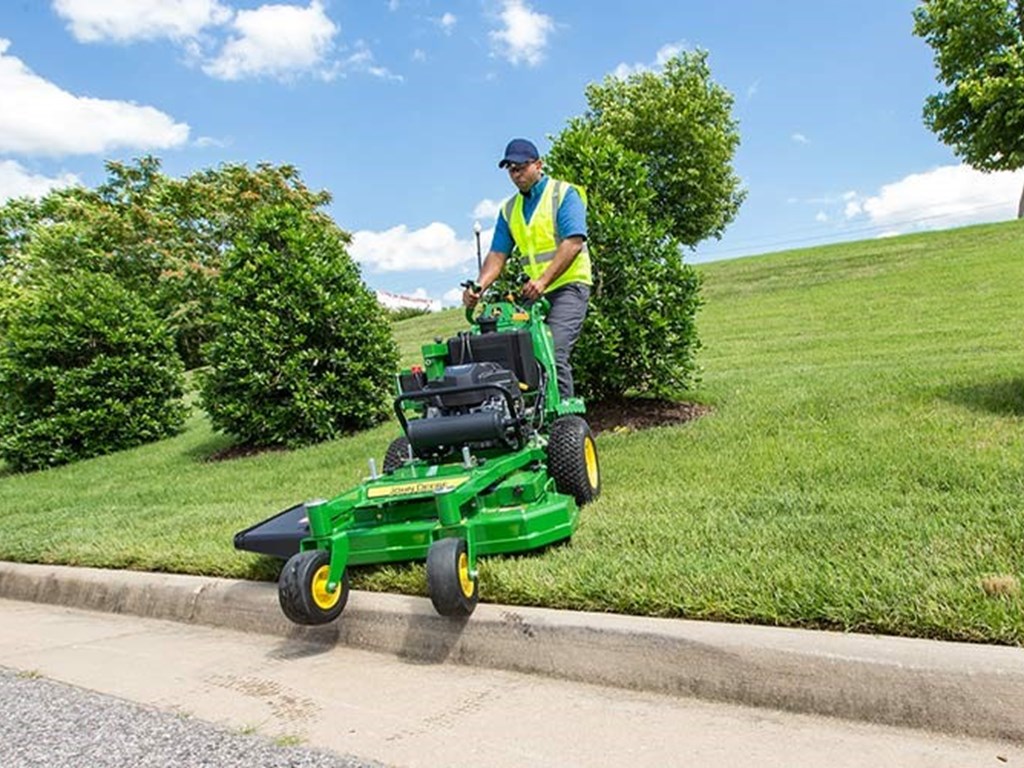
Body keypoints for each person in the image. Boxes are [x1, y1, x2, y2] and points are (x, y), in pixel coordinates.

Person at [462, 138, 593, 399]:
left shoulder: (564, 194)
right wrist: (479, 287)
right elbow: (497, 255)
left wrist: (543, 280)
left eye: (521, 167)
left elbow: (573, 243)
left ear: (538, 165)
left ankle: (565, 423)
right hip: (536, 294)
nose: (516, 174)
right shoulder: (509, 210)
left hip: (569, 286)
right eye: (511, 169)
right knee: (517, 353)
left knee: (552, 351)